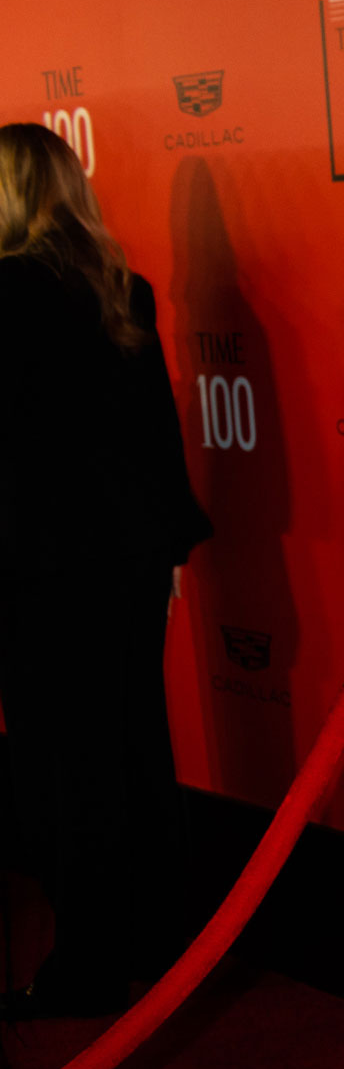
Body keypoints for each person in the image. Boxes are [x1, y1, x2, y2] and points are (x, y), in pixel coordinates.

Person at [0, 122, 211, 1018]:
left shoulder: (4, 293)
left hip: (37, 567)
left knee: (61, 759)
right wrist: (164, 549)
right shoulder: (125, 289)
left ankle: (87, 967)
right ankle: (160, 941)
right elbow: (153, 438)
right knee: (132, 742)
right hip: (124, 564)